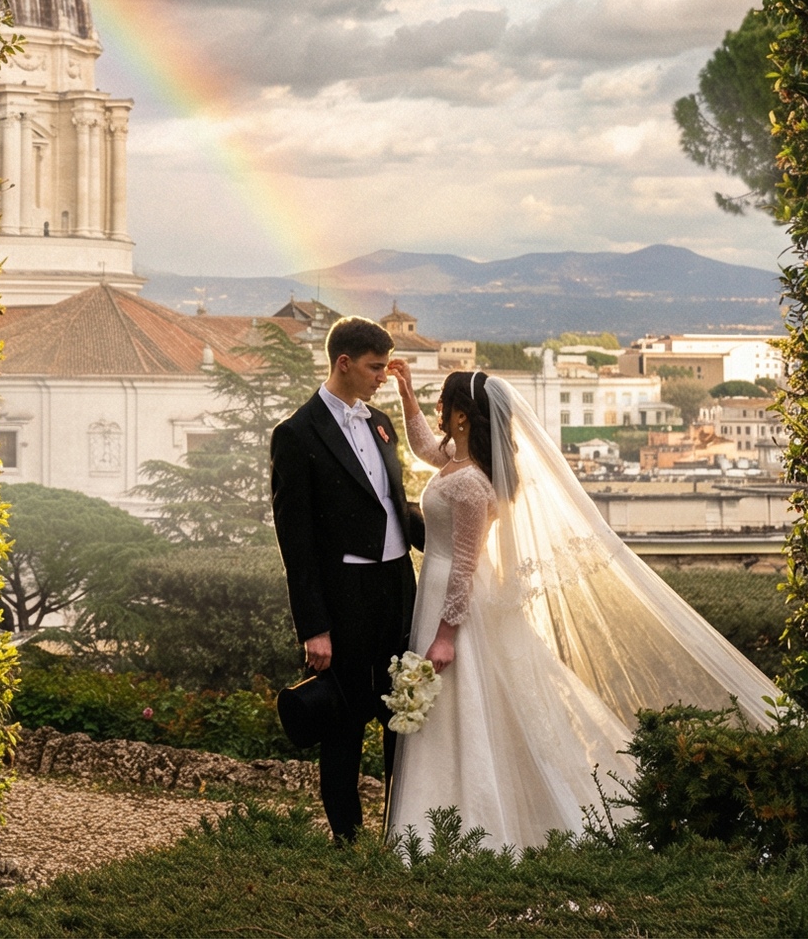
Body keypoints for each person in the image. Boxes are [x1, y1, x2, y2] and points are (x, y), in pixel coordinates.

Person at [383, 366, 779, 851]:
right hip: (444, 592)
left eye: (443, 406)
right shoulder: (459, 460)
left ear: (462, 417)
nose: (439, 414)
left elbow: (464, 566)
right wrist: (406, 396)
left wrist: (445, 636)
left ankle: (466, 826)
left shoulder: (471, 484)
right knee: (468, 708)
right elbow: (425, 447)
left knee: (465, 706)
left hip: (453, 600)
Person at [269, 315, 424, 842]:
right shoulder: (294, 434)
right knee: (343, 726)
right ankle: (348, 841)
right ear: (344, 363)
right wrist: (314, 626)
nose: (383, 376)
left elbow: (393, 504)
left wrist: (458, 535)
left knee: (404, 717)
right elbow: (296, 542)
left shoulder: (381, 422)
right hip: (344, 600)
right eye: (375, 367)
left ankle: (401, 836)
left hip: (400, 591)